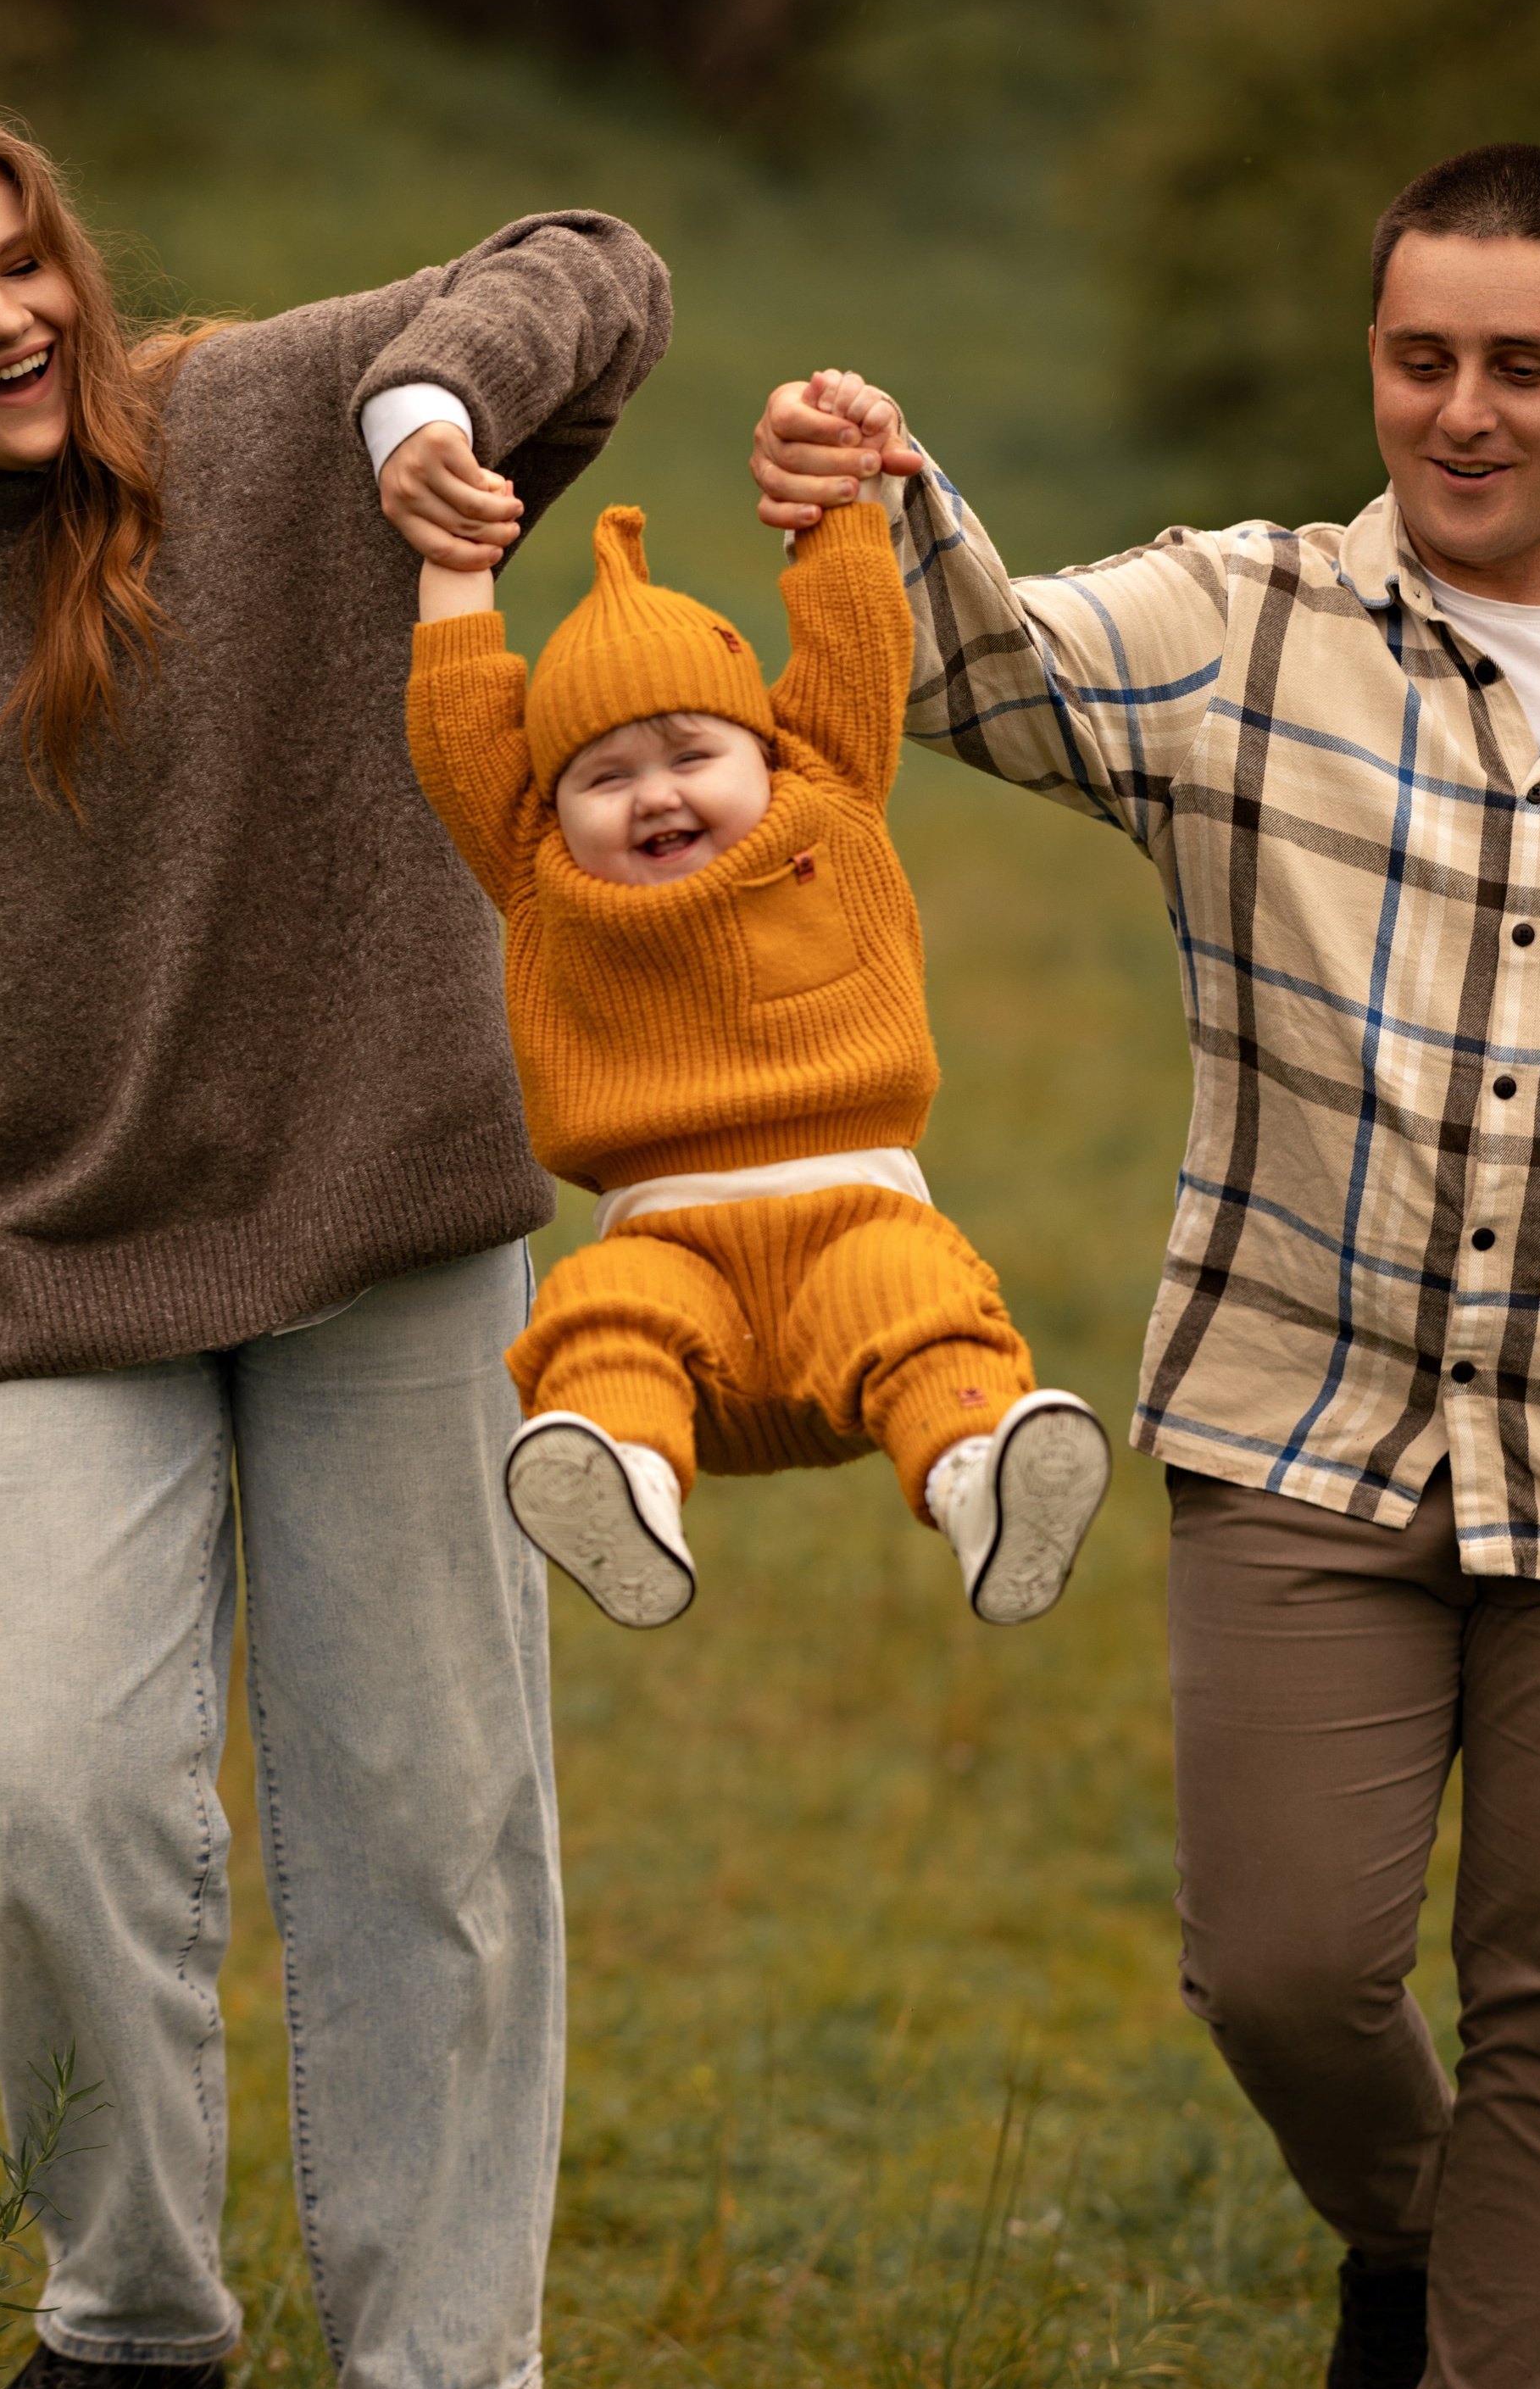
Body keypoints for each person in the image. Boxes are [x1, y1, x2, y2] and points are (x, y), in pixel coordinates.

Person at [0, 86, 670, 2389]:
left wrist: (434, 411)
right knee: (30, 1781)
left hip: (390, 1221)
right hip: (63, 1259)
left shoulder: (268, 417)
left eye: (23, 261)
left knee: (427, 1813)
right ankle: (131, 2308)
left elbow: (595, 263)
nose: (5, 316)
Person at [751, 143, 1540, 2389]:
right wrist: (890, 485)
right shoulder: (1252, 618)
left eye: (1525, 362)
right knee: (1284, 1960)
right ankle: (1417, 2237)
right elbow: (983, 670)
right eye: (1424, 355)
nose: (1466, 408)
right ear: (1374, 356)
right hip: (1308, 1421)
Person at [403, 493, 1111, 1629]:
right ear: (552, 805)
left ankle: (981, 1478)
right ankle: (621, 1481)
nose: (657, 794)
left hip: (853, 1225)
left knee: (918, 1303)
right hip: (677, 1276)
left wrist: (834, 497)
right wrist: (452, 567)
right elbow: (454, 731)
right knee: (599, 1311)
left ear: (765, 749)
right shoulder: (539, 876)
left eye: (692, 753)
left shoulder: (826, 790)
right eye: (606, 775)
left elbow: (854, 633)